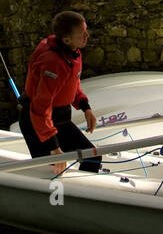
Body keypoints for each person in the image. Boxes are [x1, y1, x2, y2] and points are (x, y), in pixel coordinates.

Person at [19, 11, 101, 176]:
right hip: (37, 121)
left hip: (59, 118)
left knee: (92, 157)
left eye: (86, 30)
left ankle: (82, 194)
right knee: (51, 172)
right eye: (82, 33)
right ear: (66, 39)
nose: (87, 35)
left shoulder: (72, 52)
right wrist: (54, 147)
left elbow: (71, 84)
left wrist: (86, 107)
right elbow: (41, 107)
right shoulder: (53, 62)